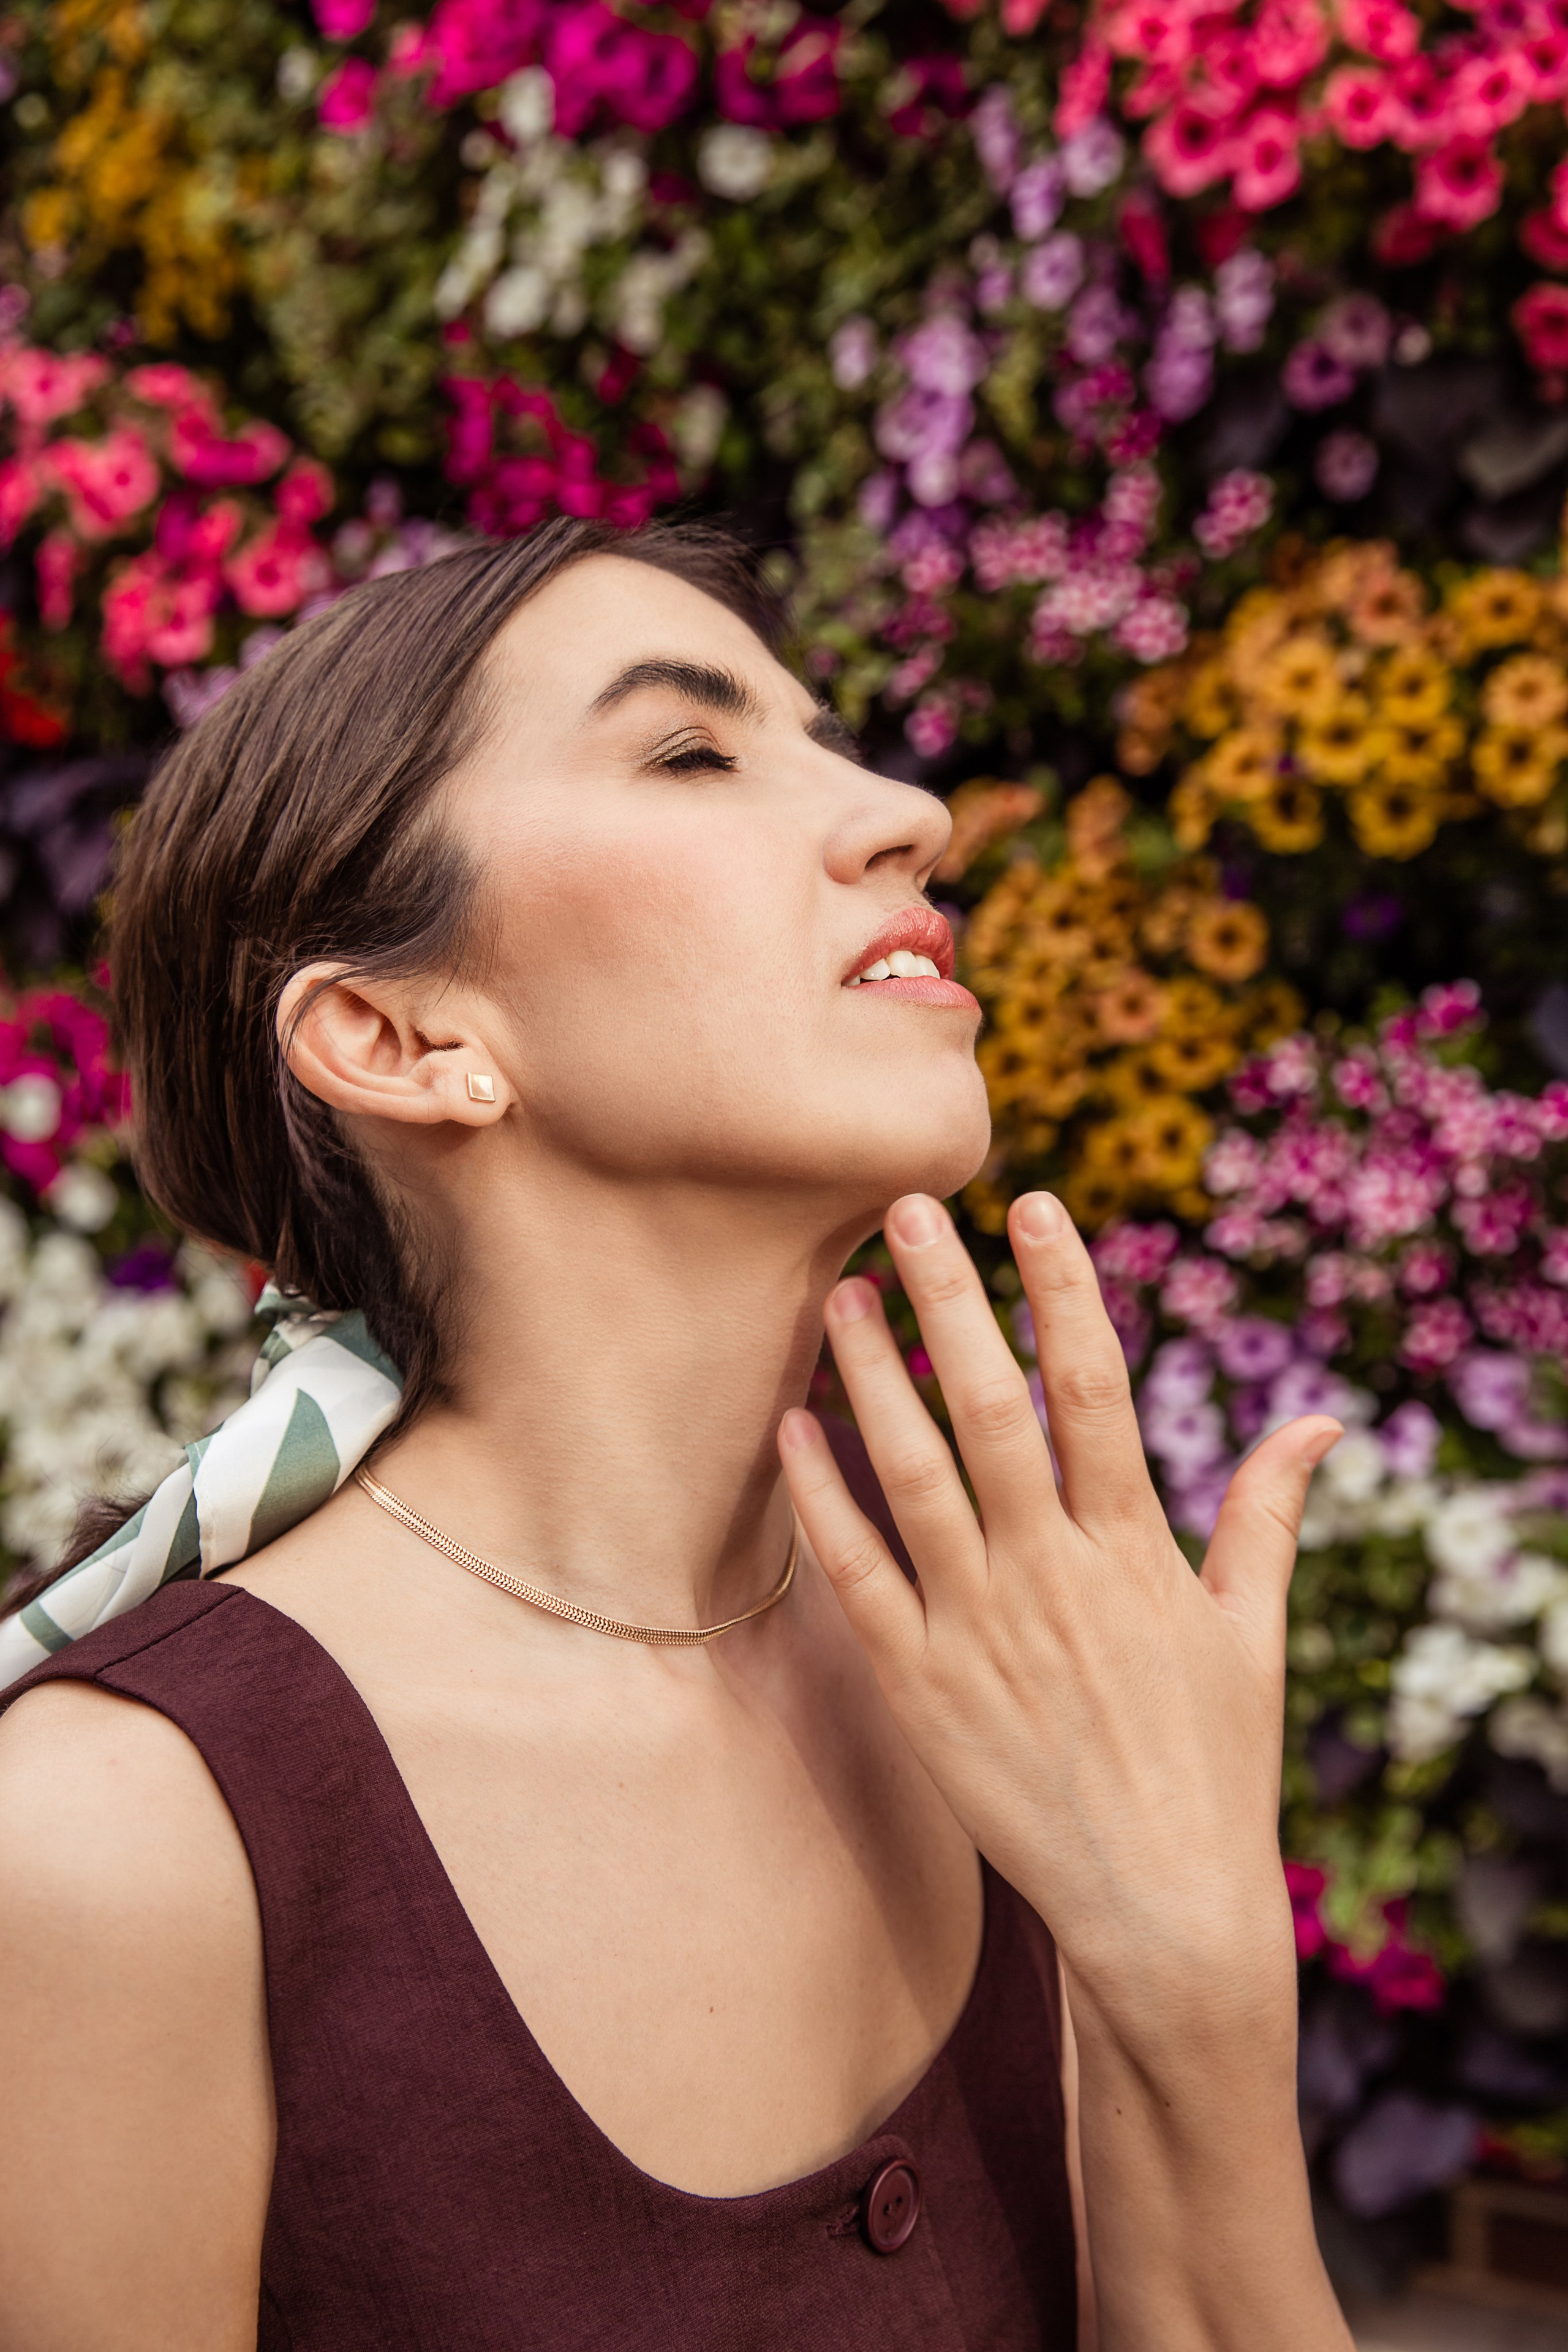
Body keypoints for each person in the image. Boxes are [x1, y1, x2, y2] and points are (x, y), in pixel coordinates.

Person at [0, 518, 1354, 2352]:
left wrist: (1195, 1974)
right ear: (398, 1037)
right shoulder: (120, 1841)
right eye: (695, 752)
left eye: (830, 737)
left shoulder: (1016, 1654)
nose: (909, 813)